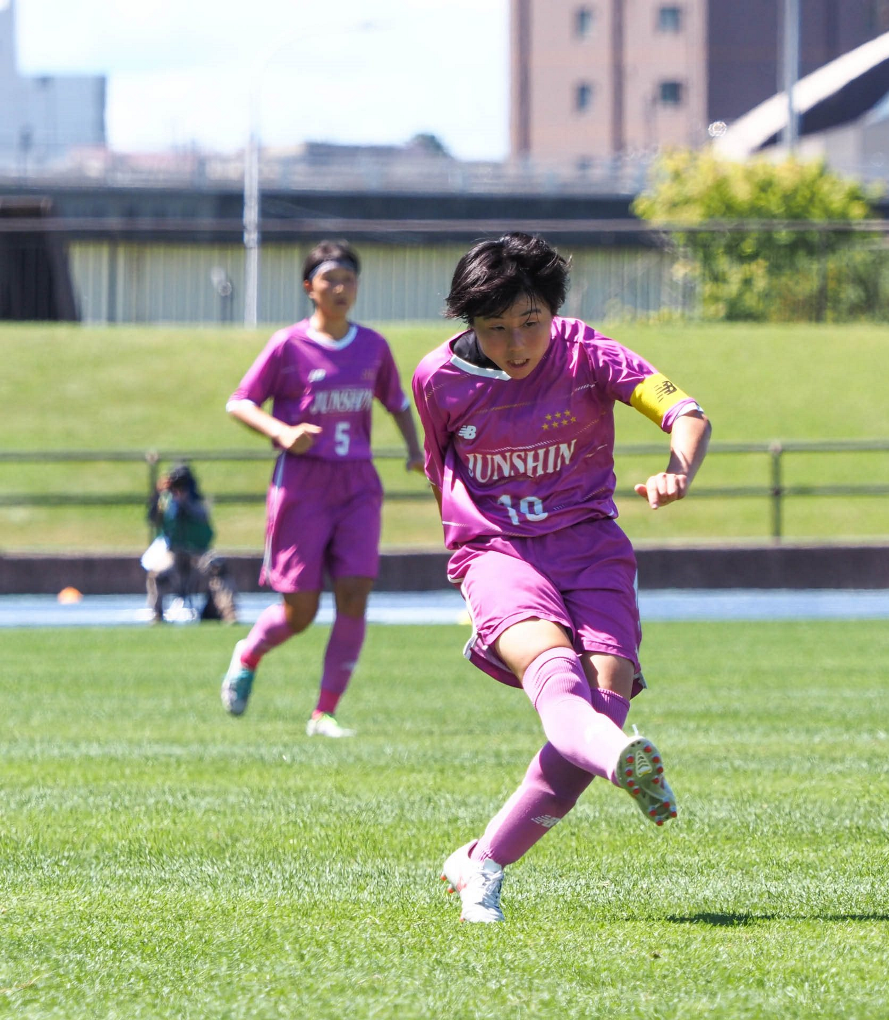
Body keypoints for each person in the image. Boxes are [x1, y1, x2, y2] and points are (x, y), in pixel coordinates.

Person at [411, 232, 711, 922]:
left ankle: (482, 862)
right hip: (498, 552)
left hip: (590, 548)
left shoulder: (587, 352)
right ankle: (625, 761)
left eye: (530, 324)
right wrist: (465, 554)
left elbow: (685, 412)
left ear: (554, 313)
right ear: (469, 323)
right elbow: (438, 470)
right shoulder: (437, 380)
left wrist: (678, 472)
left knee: (600, 713)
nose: (516, 345)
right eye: (496, 329)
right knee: (563, 688)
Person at [221, 240, 423, 737]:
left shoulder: (373, 345)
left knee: (355, 594)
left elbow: (396, 401)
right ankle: (248, 653)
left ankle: (324, 714)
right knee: (302, 611)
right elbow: (240, 402)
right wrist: (283, 433)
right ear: (309, 287)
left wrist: (416, 451)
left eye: (349, 279)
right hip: (303, 486)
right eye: (330, 279)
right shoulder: (287, 345)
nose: (340, 288)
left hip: (357, 483)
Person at [144, 463, 238, 624]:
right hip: (173, 552)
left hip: (198, 552)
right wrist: (157, 495)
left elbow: (201, 516)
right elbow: (153, 519)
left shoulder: (198, 501)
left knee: (217, 567)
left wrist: (185, 502)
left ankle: (228, 613)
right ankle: (156, 614)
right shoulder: (166, 501)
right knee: (156, 572)